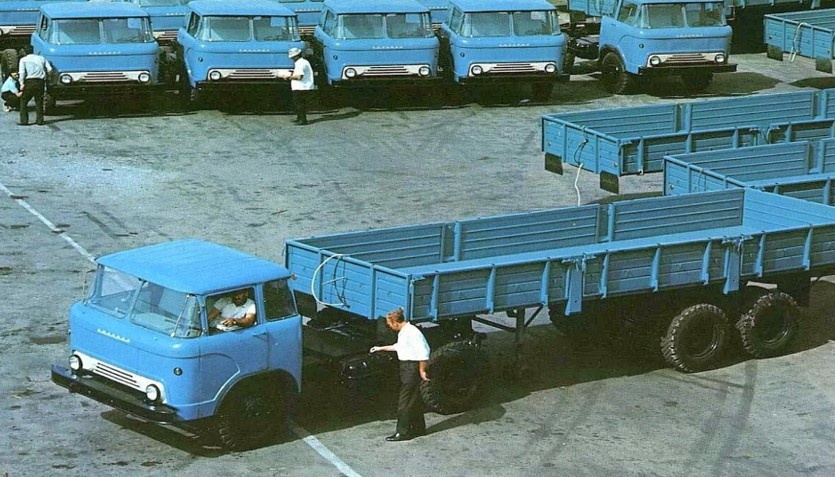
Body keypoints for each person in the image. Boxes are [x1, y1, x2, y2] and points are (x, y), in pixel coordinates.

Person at [370, 307, 431, 442]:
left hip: (411, 367)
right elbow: (399, 346)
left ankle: (402, 432)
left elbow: (424, 353)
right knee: (413, 399)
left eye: (389, 324)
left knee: (404, 401)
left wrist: (422, 370)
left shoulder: (412, 332)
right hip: (407, 367)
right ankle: (419, 429)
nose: (389, 327)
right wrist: (381, 348)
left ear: (396, 322)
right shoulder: (405, 332)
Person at [18, 47, 52, 126]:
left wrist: (21, 83)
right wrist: (46, 76)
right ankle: (39, 121)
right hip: (40, 82)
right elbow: (49, 69)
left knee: (23, 101)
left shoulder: (23, 60)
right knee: (39, 101)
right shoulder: (41, 58)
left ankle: (24, 121)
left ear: (24, 52)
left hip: (29, 81)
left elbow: (22, 72)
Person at [283, 47, 315, 126]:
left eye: (292, 57)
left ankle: (303, 120)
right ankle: (299, 118)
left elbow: (299, 77)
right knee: (299, 103)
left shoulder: (300, 64)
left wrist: (288, 77)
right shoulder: (303, 62)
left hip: (302, 87)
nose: (292, 59)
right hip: (303, 86)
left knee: (300, 104)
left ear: (296, 56)